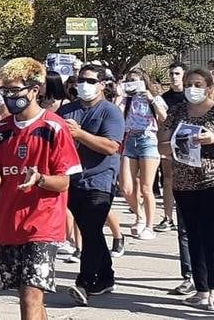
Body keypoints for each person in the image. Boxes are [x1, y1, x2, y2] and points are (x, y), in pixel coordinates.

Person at [0, 57, 81, 320]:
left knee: (31, 295)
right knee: (26, 293)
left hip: (42, 223)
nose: (9, 96)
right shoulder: (1, 130)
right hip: (10, 222)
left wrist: (40, 178)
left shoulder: (54, 126)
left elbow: (64, 181)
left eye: (14, 90)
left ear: (34, 90)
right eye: (4, 91)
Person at [158, 68, 214, 312]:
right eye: (188, 84)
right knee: (192, 233)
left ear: (208, 87)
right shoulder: (177, 112)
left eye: (197, 84)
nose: (191, 88)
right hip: (185, 182)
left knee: (209, 231)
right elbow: (162, 145)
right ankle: (201, 288)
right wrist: (176, 142)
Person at [56, 64, 125, 305]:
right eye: (80, 80)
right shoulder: (68, 110)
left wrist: (80, 134)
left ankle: (84, 283)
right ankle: (106, 277)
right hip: (73, 179)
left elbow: (110, 146)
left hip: (100, 179)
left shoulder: (110, 112)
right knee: (90, 230)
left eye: (90, 80)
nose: (83, 84)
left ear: (102, 85)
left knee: (92, 228)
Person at [119, 68, 168, 241]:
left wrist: (151, 99)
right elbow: (118, 116)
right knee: (125, 186)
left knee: (147, 187)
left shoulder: (153, 97)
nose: (132, 83)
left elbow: (164, 118)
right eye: (129, 80)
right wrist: (120, 95)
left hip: (148, 139)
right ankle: (139, 215)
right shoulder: (126, 99)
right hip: (130, 138)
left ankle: (149, 225)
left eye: (135, 80)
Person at [157, 62, 188, 232]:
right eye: (171, 74)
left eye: (177, 73)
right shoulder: (165, 97)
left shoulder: (190, 96)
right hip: (169, 142)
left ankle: (185, 216)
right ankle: (168, 217)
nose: (174, 77)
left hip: (188, 144)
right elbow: (162, 121)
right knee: (168, 179)